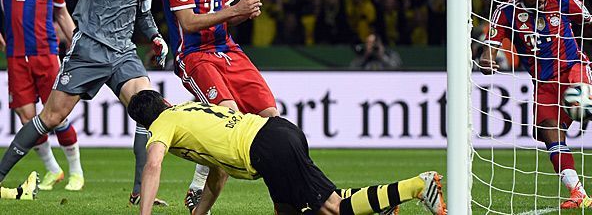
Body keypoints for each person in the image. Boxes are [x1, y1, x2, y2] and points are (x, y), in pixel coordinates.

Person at [0, 0, 169, 206]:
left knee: (149, 110)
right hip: (90, 45)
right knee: (51, 117)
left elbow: (145, 14)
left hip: (123, 52)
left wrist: (156, 37)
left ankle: (139, 192)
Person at [127, 90, 447, 215]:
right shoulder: (185, 109)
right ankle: (382, 208)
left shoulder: (162, 123)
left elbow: (153, 164)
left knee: (333, 208)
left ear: (145, 123)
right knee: (289, 211)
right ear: (165, 102)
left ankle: (417, 186)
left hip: (267, 147)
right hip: (273, 133)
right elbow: (218, 171)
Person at [159, 0, 279, 211]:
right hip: (196, 55)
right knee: (228, 122)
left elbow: (224, 15)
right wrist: (233, 10)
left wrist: (243, 12)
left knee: (273, 122)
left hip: (228, 51)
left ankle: (289, 201)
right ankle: (200, 194)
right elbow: (188, 22)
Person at [479, 0, 592, 209]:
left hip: (572, 70)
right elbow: (489, 50)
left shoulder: (563, 1)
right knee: (548, 132)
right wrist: (487, 60)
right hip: (544, 84)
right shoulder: (506, 12)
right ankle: (579, 194)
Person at [0, 0, 85, 191]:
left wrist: (77, 43)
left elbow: (61, 13)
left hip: (47, 53)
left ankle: (76, 172)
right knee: (27, 118)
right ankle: (53, 169)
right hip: (15, 55)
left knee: (56, 115)